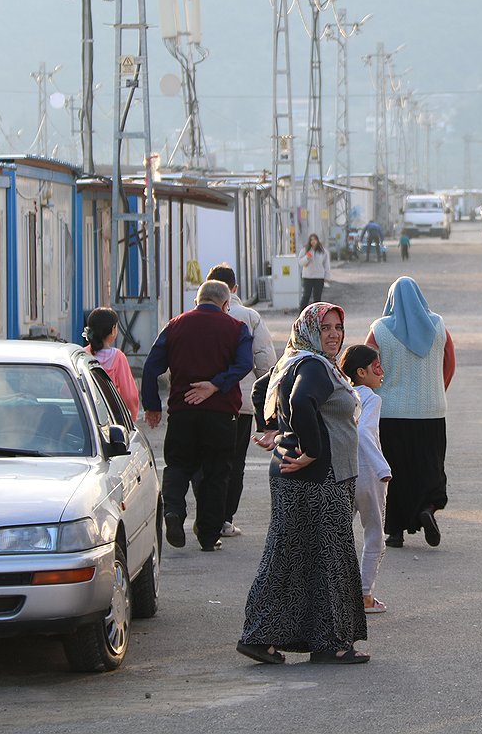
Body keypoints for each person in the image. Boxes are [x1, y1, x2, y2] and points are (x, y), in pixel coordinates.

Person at [238, 303, 369, 665]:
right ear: (310, 329)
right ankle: (330, 644)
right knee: (328, 558)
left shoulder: (294, 360)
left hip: (297, 476)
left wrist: (271, 429)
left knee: (290, 557)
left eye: (338, 327)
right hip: (317, 477)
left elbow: (263, 387)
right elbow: (299, 400)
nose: (333, 334)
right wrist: (311, 449)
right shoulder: (312, 366)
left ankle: (261, 637)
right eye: (325, 327)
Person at [141, 280, 254, 552]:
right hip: (221, 413)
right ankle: (207, 534)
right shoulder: (237, 328)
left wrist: (153, 405)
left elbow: (150, 367)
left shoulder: (175, 325)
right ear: (226, 305)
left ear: (197, 301)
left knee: (178, 465)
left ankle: (174, 512)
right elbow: (244, 364)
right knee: (217, 473)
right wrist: (216, 384)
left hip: (182, 412)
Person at [365, 277, 455, 549]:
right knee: (430, 467)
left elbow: (364, 366)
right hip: (431, 411)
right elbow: (450, 361)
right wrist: (437, 390)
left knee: (394, 471)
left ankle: (394, 532)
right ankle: (427, 507)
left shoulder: (379, 330)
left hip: (391, 415)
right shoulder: (438, 325)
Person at [193, 264, 277, 538]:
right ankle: (225, 519)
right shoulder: (250, 316)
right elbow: (265, 360)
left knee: (205, 460)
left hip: (200, 400)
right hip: (240, 404)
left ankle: (206, 514)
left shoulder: (192, 316)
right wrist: (266, 397)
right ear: (235, 289)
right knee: (233, 462)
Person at [341, 344, 393, 614]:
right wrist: (382, 466)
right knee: (374, 535)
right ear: (361, 372)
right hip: (369, 475)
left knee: (338, 533)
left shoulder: (341, 394)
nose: (381, 371)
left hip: (344, 473)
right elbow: (365, 433)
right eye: (376, 366)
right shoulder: (371, 398)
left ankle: (332, 592)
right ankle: (364, 596)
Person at [82, 306, 140, 421]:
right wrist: (132, 419)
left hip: (87, 416)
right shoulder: (118, 357)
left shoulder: (83, 355)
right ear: (113, 329)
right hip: (111, 417)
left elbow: (66, 390)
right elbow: (129, 396)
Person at [298, 233, 330, 311]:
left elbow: (326, 265)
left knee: (317, 298)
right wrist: (307, 257)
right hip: (307, 277)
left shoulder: (323, 251)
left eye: (315, 239)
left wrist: (327, 276)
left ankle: (317, 315)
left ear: (317, 241)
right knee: (306, 296)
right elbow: (300, 262)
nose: (313, 241)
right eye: (311, 240)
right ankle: (301, 314)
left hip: (319, 277)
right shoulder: (305, 250)